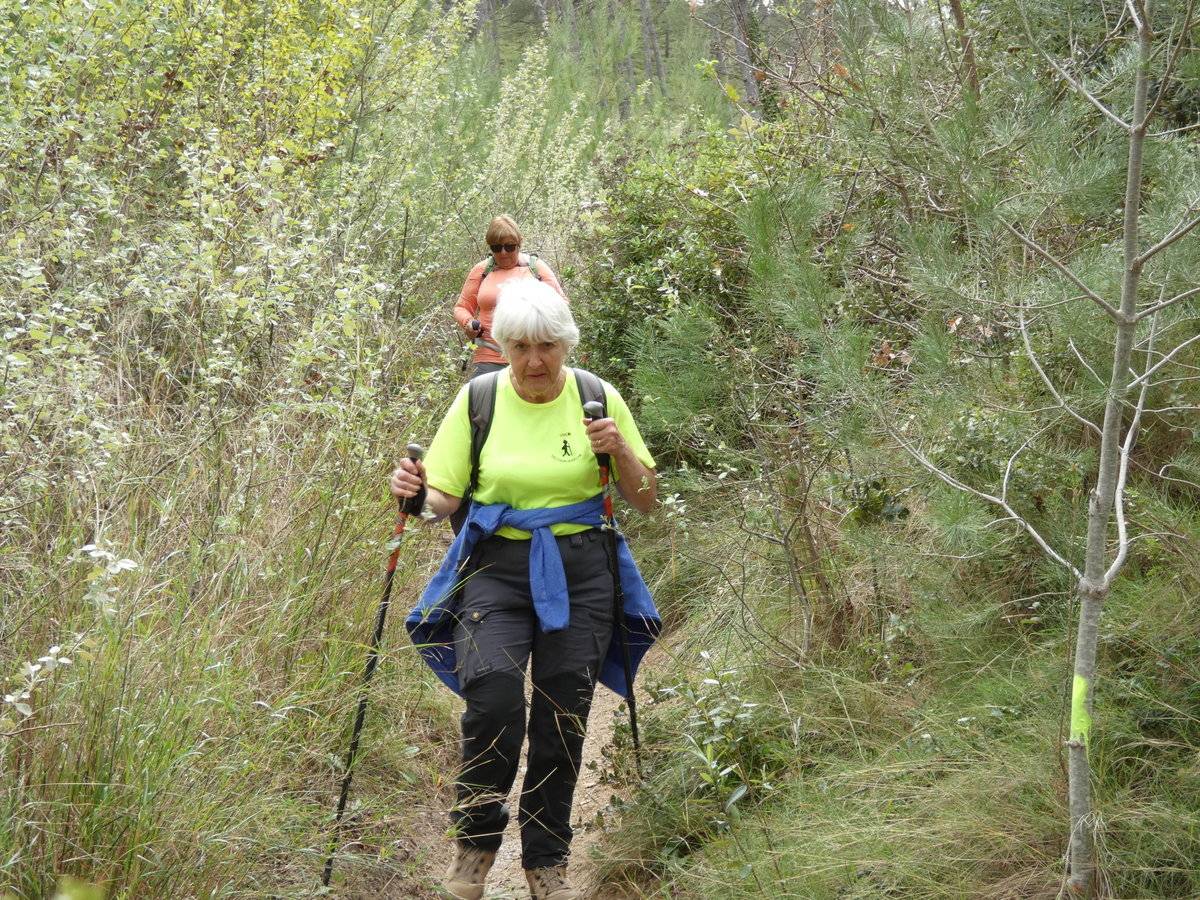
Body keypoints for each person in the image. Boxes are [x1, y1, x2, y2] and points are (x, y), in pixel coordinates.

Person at [390, 280, 659, 900]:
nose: (535, 362)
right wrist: (414, 494)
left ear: (566, 344)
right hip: (496, 569)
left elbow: (643, 498)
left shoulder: (598, 398)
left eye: (547, 347)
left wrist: (618, 451)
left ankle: (546, 864)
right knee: (493, 700)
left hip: (584, 570)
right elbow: (442, 499)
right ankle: (475, 848)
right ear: (501, 346)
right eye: (520, 348)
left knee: (564, 719)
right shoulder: (478, 400)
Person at [454, 214, 566, 380]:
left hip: (531, 356)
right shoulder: (481, 270)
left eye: (510, 247)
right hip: (489, 355)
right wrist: (468, 323)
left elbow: (561, 305)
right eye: (496, 248)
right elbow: (461, 307)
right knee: (484, 403)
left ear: (519, 243)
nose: (503, 253)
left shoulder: (536, 268)